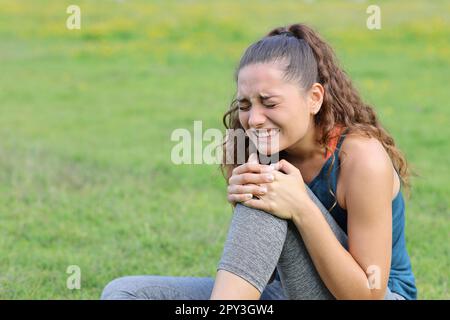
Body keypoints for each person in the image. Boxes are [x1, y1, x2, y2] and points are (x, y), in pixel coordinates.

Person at [101, 23, 417, 300]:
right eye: (244, 104)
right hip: (289, 292)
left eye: (269, 102)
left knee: (269, 187)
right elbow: (263, 269)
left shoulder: (363, 158)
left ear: (314, 98)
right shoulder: (250, 149)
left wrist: (301, 208)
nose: (253, 119)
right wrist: (245, 201)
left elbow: (367, 294)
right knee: (124, 293)